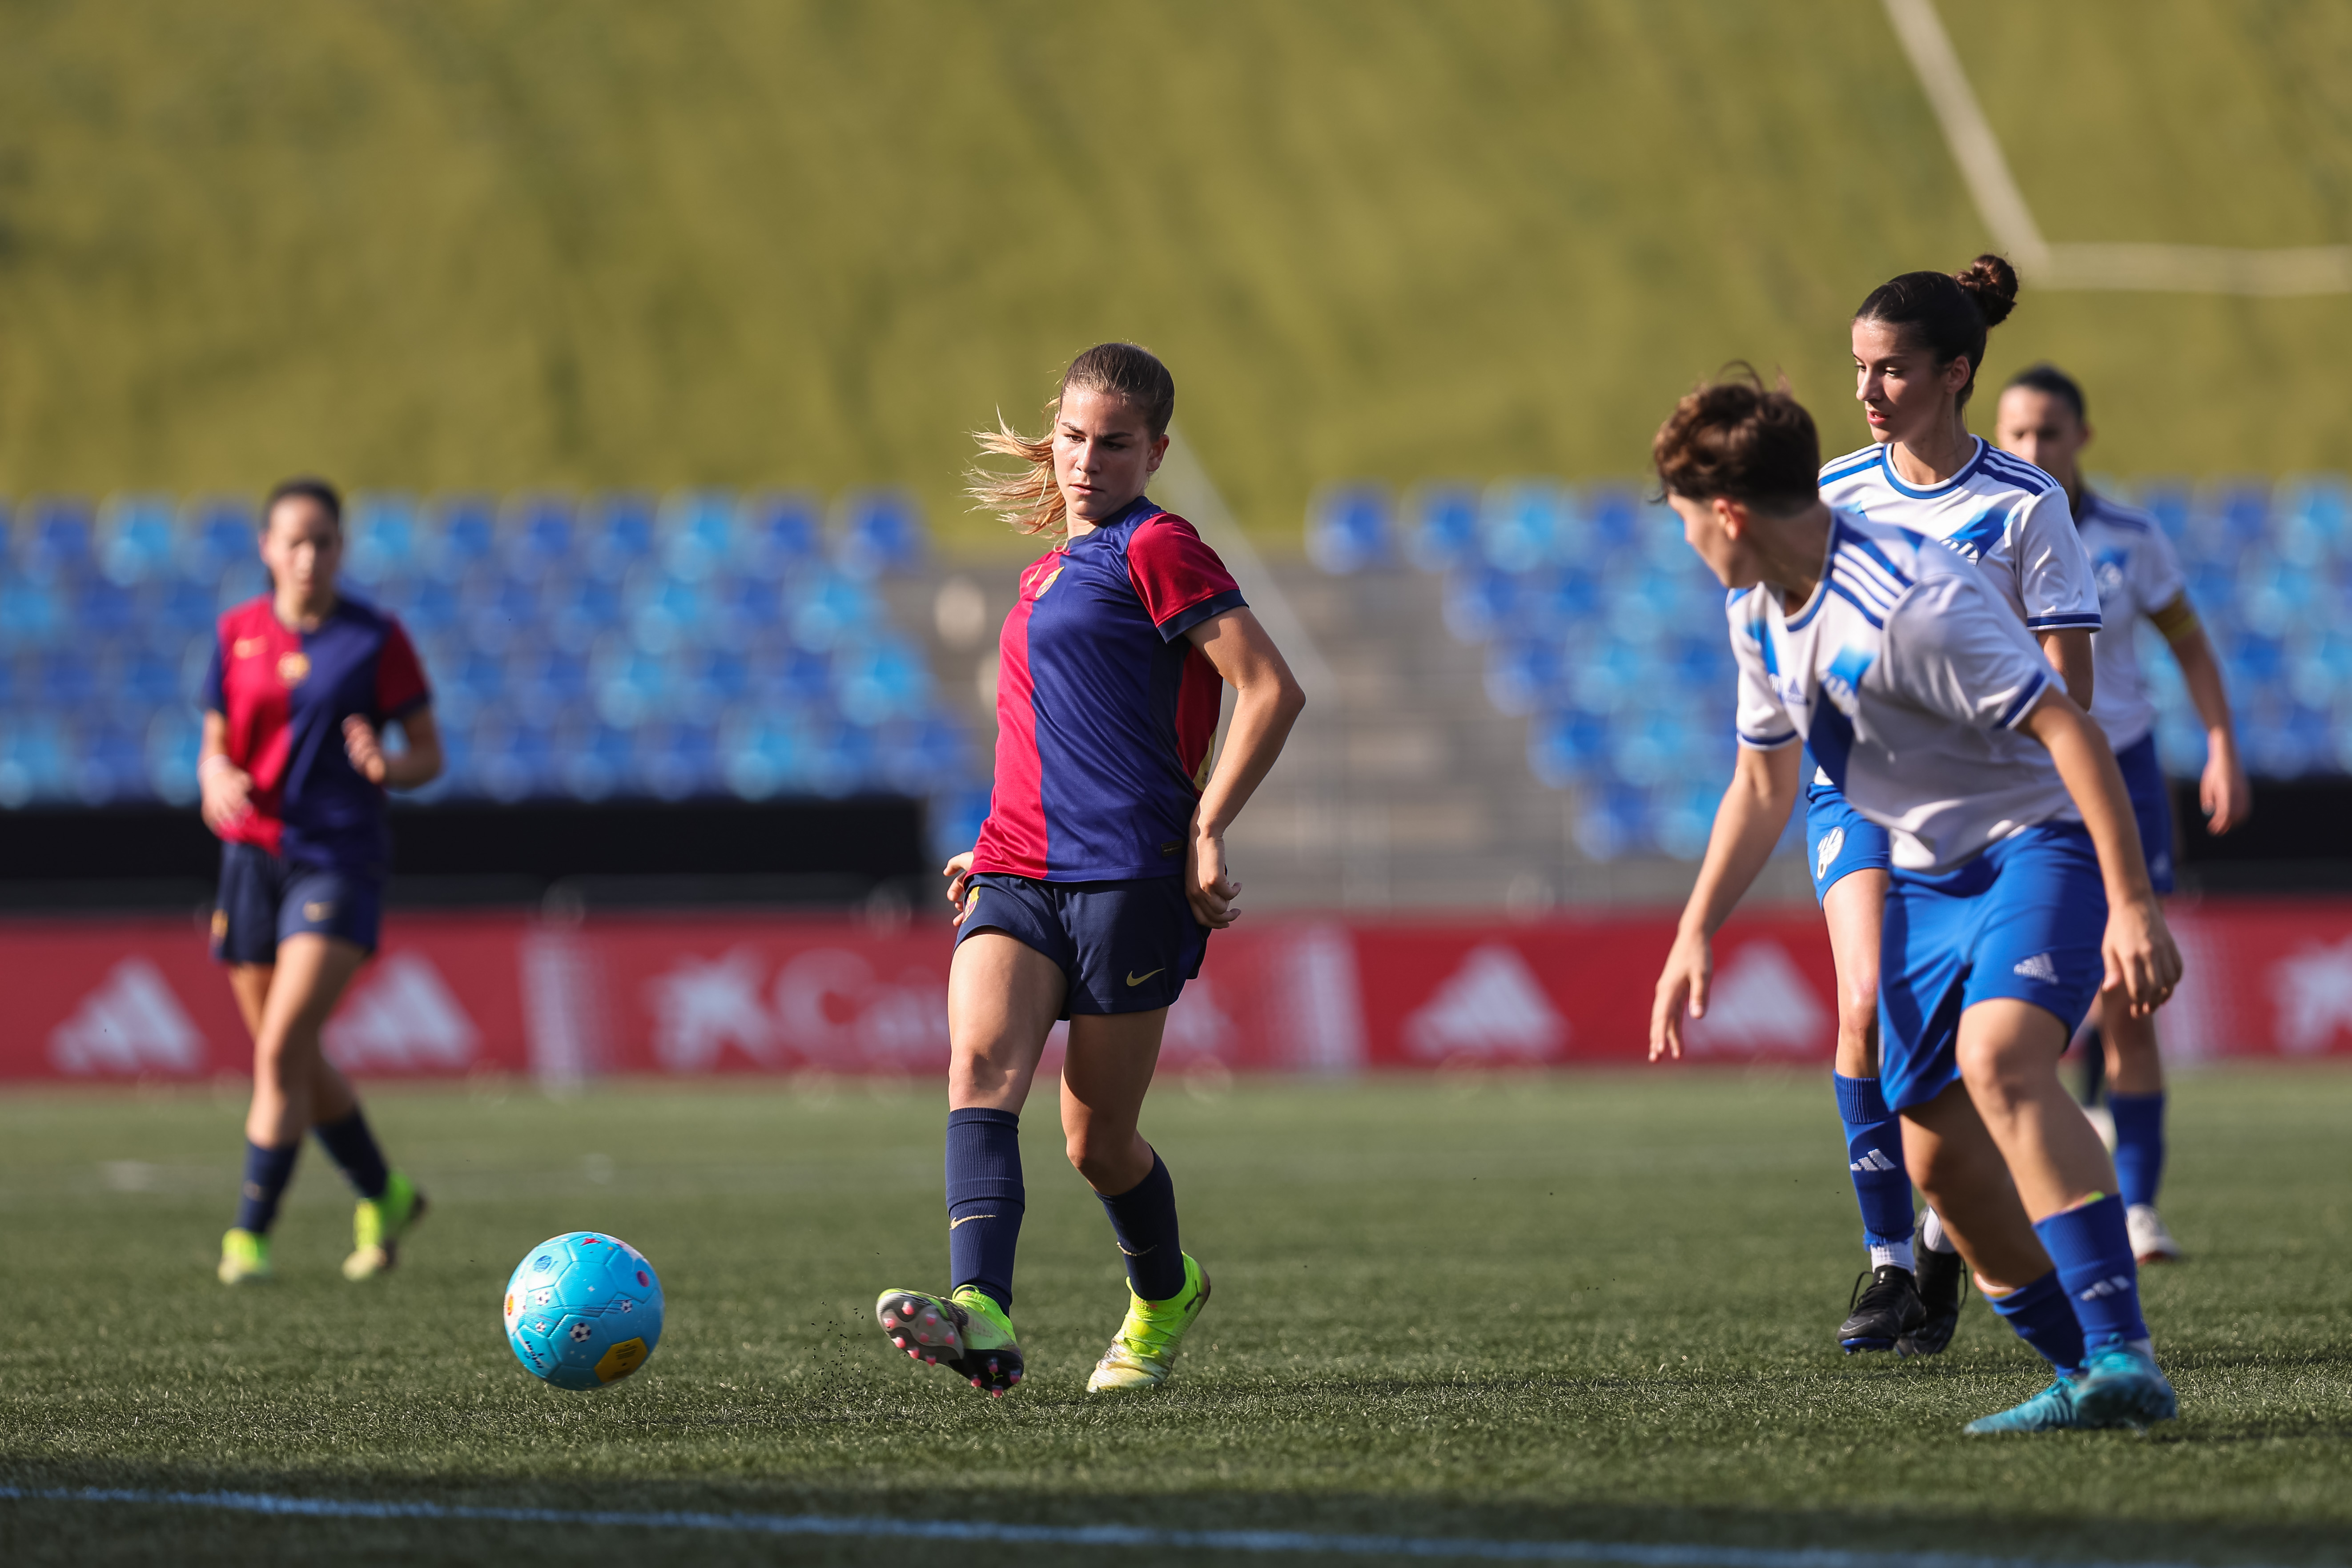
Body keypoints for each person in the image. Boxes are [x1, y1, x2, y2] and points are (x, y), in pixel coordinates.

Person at [1649, 371, 2181, 1433]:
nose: (1685, 540)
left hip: (2036, 846)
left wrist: (2130, 902)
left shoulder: (1910, 598)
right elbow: (1760, 782)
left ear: (1728, 513)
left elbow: (2068, 728)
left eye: (1682, 518)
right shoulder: (1756, 612)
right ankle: (2085, 1374)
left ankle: (2124, 1350)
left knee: (2000, 1060)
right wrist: (1693, 928)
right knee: (1938, 1162)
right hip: (1921, 878)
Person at [873, 344, 1304, 1396]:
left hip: (1128, 881)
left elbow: (1269, 688)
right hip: (1017, 869)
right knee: (979, 1069)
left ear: (1155, 452)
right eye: (1072, 436)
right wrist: (994, 834)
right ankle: (980, 1310)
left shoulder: (1160, 546)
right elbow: (1052, 727)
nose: (1086, 459)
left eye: (1114, 443)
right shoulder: (1043, 573)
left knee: (1096, 1143)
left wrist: (1207, 828)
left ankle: (1164, 1293)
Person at [1804, 255, 2103, 1358]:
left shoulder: (2023, 503)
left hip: (1984, 805)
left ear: (1954, 373)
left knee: (1970, 1043)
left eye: (1889, 369)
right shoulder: (1834, 491)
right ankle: (1889, 1263)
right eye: (1857, 368)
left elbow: (2069, 686)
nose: (1867, 390)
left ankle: (1945, 1237)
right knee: (1859, 1004)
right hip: (1854, 787)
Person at [1995, 363, 2251, 1265]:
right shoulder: (1977, 525)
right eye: (2016, 433)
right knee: (2009, 1001)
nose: (2033, 447)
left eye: (2048, 431)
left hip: (2123, 774)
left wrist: (2219, 743)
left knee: (2127, 998)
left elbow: (2189, 643)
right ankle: (2002, 1192)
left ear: (2081, 437)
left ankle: (2136, 1206)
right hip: (2019, 775)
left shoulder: (2130, 538)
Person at [201, 477, 442, 1286]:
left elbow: (429, 754)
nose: (308, 555)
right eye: (294, 541)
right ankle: (385, 1193)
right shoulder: (236, 633)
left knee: (279, 1049)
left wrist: (388, 766)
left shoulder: (375, 638)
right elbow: (214, 744)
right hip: (250, 858)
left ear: (341, 549)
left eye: (323, 541)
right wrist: (214, 777)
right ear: (267, 548)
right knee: (292, 1055)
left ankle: (249, 1236)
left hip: (338, 857)